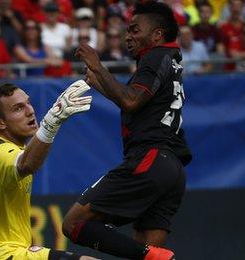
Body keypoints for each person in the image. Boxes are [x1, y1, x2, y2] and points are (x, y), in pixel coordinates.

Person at [65, 2, 192, 259]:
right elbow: (136, 103)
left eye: (135, 30)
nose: (127, 36)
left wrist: (99, 67)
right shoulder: (170, 60)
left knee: (73, 223)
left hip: (150, 159)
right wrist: (98, 82)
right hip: (172, 170)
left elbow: (130, 100)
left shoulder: (155, 57)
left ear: (157, 34)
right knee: (148, 249)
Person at [0, 81, 95, 260]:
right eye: (18, 108)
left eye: (28, 103)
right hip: (1, 253)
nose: (30, 111)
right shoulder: (2, 154)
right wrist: (51, 123)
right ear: (0, 123)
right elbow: (26, 165)